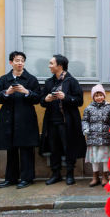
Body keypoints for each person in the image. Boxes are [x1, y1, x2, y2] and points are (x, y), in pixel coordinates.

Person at [0, 51, 41, 188]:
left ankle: (27, 178)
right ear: (11, 62)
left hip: (26, 119)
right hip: (8, 119)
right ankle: (11, 178)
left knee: (26, 149)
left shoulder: (31, 79)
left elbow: (38, 98)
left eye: (22, 60)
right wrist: (7, 92)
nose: (20, 63)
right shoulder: (4, 79)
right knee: (11, 149)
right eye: (17, 60)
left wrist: (26, 92)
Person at [40, 54, 86, 185]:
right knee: (54, 148)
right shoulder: (49, 82)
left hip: (67, 121)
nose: (49, 66)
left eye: (51, 63)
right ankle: (56, 174)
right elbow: (42, 101)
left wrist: (65, 97)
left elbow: (79, 101)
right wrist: (46, 99)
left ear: (59, 66)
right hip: (51, 120)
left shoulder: (71, 81)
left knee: (68, 147)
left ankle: (70, 174)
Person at [82, 84, 110, 186]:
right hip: (93, 137)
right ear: (93, 97)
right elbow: (85, 120)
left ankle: (105, 176)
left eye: (101, 95)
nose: (99, 97)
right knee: (95, 158)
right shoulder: (88, 108)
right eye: (96, 95)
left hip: (105, 136)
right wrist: (85, 128)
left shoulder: (109, 107)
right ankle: (95, 176)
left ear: (104, 96)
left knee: (105, 158)